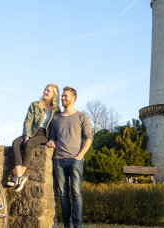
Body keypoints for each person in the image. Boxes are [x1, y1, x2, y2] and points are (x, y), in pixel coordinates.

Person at [47, 86, 93, 228]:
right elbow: (52, 138)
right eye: (62, 96)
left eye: (65, 96)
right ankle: (67, 225)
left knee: (76, 193)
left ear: (73, 98)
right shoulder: (56, 118)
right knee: (63, 194)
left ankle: (77, 225)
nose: (62, 98)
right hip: (59, 160)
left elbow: (89, 138)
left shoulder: (81, 117)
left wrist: (80, 155)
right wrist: (51, 141)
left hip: (75, 160)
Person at [7, 84, 60, 191]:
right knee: (16, 143)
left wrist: (52, 139)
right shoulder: (34, 105)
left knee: (29, 144)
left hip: (44, 135)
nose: (45, 92)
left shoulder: (56, 110)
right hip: (31, 132)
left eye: (48, 91)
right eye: (45, 90)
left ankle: (18, 177)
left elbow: (55, 127)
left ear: (54, 95)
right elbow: (28, 121)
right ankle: (19, 176)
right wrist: (27, 135)